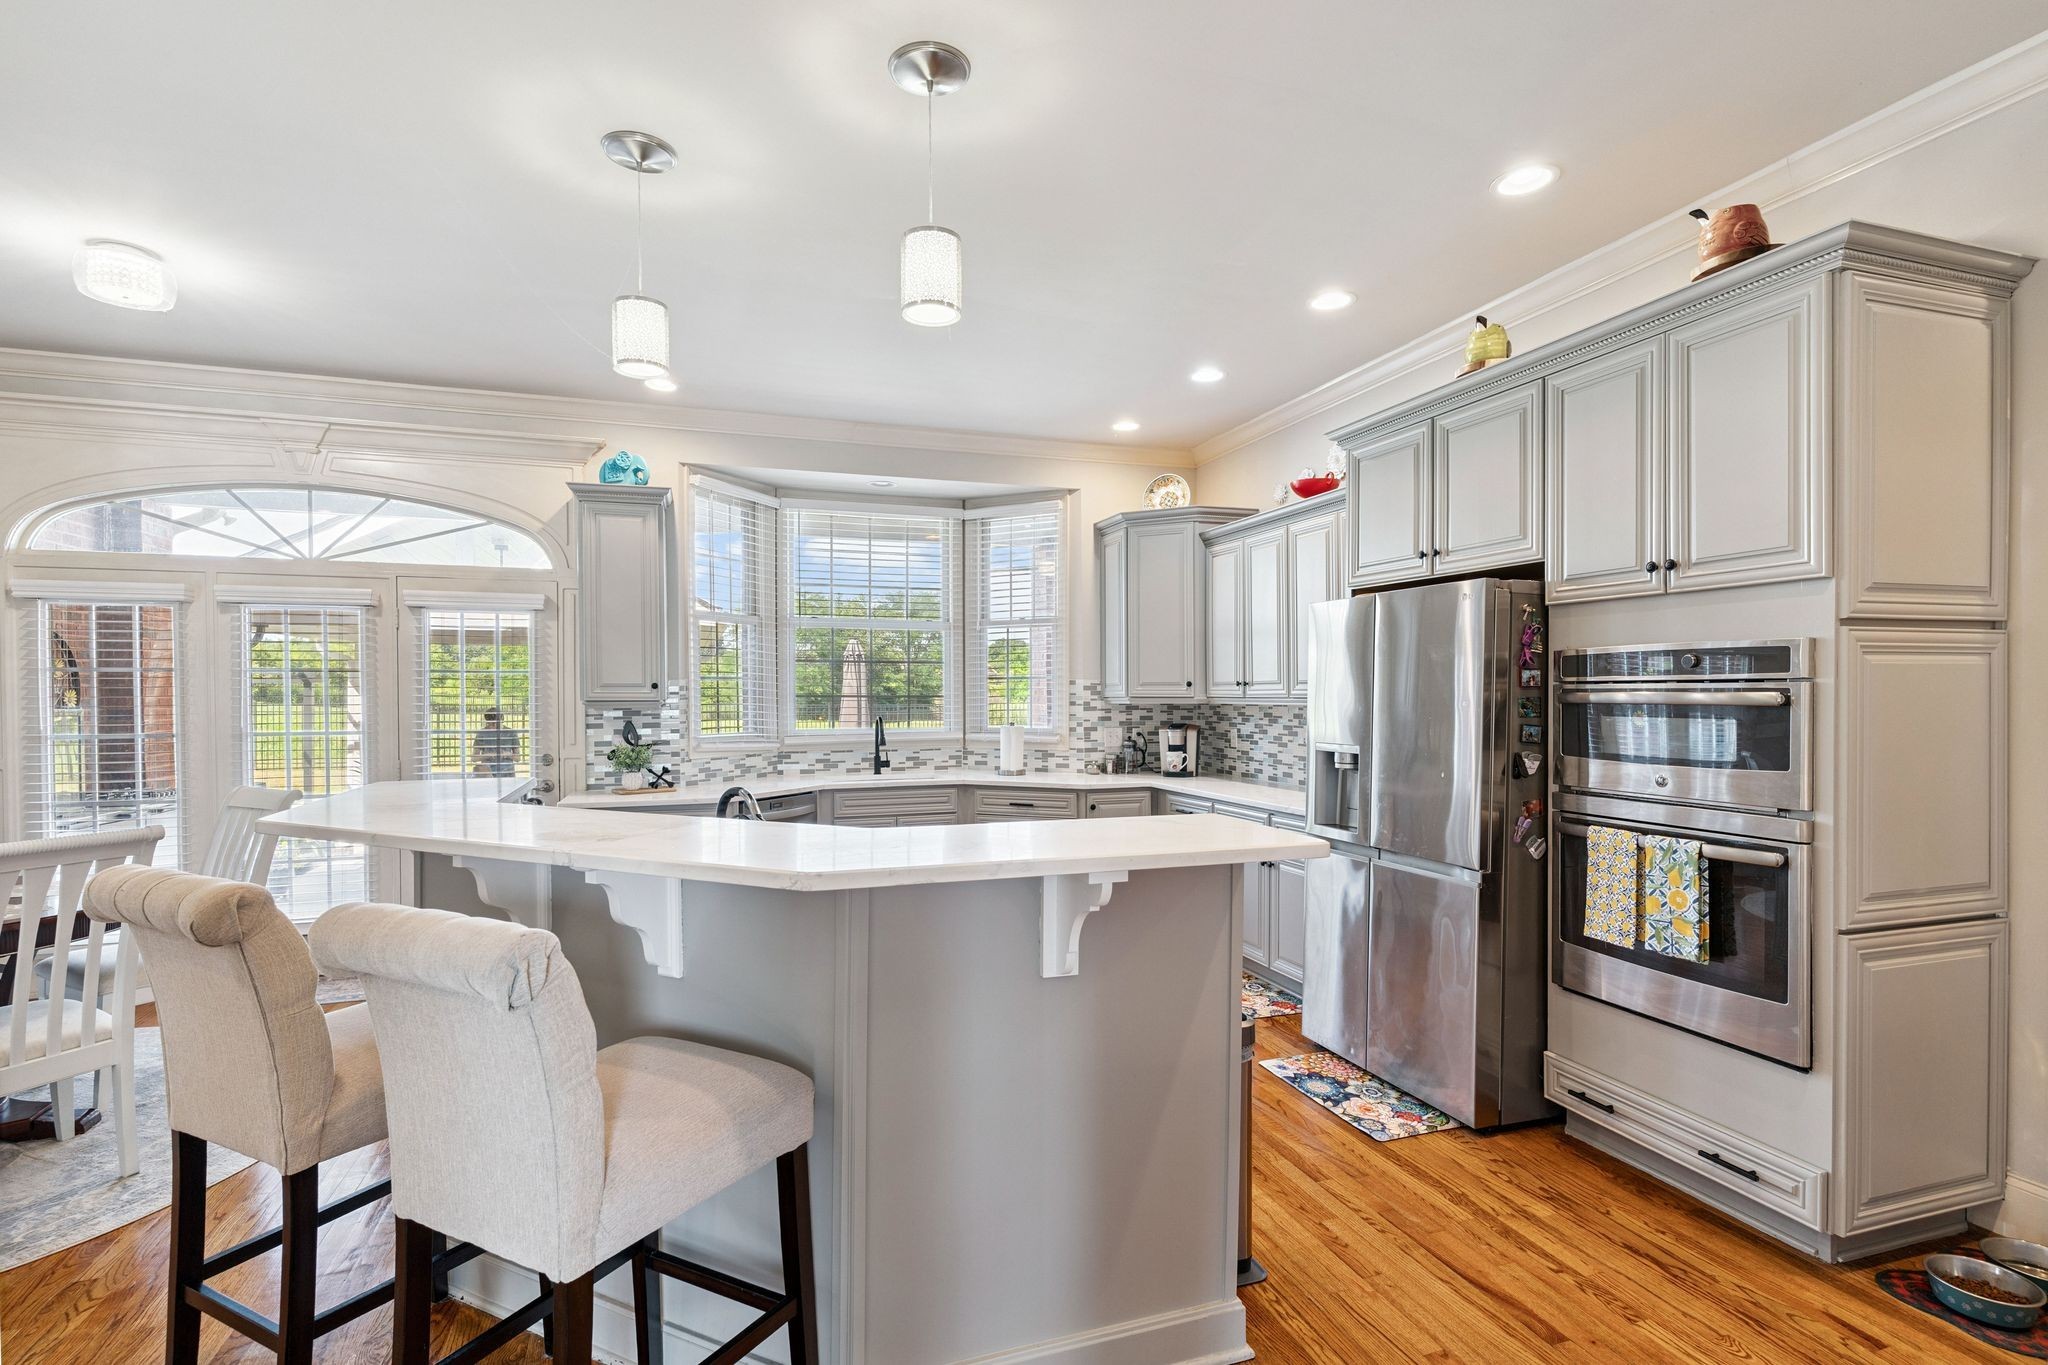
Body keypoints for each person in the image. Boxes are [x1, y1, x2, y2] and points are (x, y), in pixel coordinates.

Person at [470, 709, 521, 776]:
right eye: (491, 723)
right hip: (489, 774)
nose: (494, 726)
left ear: (502, 720)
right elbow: (474, 758)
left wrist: (507, 754)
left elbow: (518, 758)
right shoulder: (481, 734)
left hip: (507, 774)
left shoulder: (511, 733)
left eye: (496, 723)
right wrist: (488, 755)